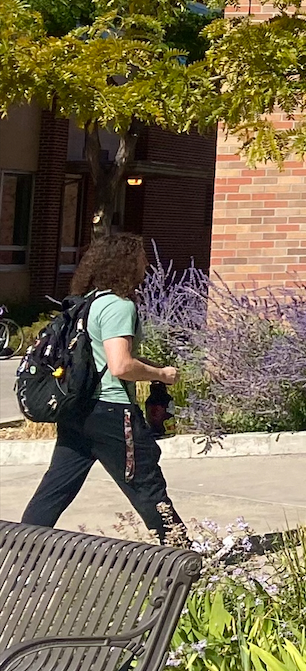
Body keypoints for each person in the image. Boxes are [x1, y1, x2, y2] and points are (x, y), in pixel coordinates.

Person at [21, 232, 186, 542]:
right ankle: (182, 552)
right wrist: (162, 373)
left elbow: (103, 355)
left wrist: (145, 365)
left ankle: (22, 548)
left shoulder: (89, 303)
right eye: (140, 258)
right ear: (125, 263)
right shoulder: (119, 305)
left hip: (77, 410)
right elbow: (120, 365)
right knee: (144, 482)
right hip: (110, 412)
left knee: (56, 487)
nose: (146, 264)